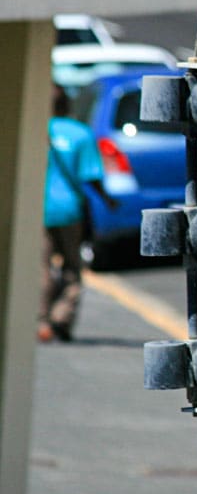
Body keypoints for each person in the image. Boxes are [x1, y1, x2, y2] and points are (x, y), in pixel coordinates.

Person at [40, 86, 116, 343]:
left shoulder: (39, 130)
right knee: (73, 267)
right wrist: (107, 200)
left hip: (40, 209)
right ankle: (62, 316)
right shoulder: (81, 134)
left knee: (43, 266)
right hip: (71, 210)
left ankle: (41, 321)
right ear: (68, 105)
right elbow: (91, 176)